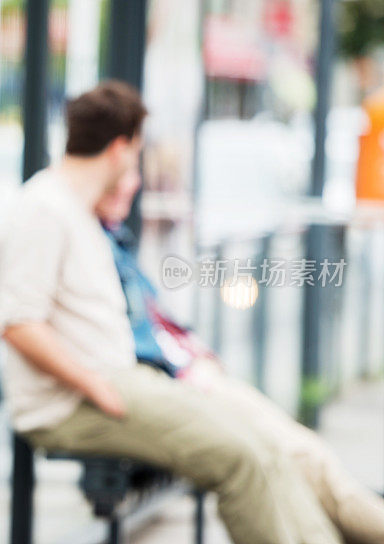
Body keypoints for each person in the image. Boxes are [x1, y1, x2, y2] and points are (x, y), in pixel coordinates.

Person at [0, 80, 348, 544]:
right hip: (73, 402)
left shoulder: (72, 206)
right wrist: (96, 385)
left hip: (116, 382)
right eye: (137, 149)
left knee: (263, 446)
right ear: (121, 147)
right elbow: (17, 322)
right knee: (241, 456)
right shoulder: (44, 207)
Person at [98, 169, 384, 544]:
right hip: (176, 383)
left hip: (188, 375)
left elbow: (155, 325)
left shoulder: (114, 242)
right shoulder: (92, 244)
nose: (132, 185)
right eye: (122, 176)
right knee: (280, 457)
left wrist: (195, 356)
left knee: (300, 454)